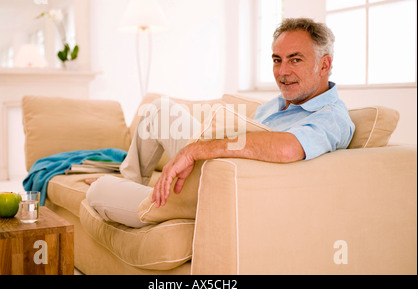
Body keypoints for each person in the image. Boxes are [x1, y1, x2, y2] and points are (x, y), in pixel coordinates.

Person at [86, 17, 355, 228]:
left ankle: (135, 195)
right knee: (158, 108)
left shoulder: (332, 116)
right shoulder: (275, 105)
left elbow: (288, 149)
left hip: (223, 194)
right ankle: (130, 181)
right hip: (213, 172)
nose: (283, 72)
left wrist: (194, 150)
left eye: (295, 60)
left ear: (324, 65)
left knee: (97, 191)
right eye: (277, 60)